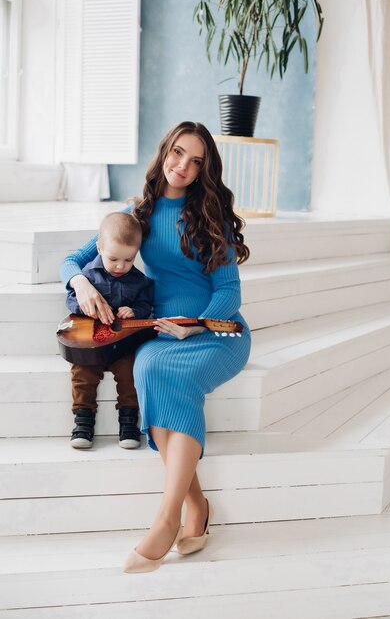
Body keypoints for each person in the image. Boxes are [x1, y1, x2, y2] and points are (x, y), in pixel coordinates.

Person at [60, 121, 251, 573]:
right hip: (158, 330)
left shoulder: (210, 215)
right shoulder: (139, 211)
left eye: (196, 160)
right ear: (165, 150)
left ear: (204, 169)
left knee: (174, 375)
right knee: (148, 368)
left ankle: (168, 519)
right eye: (178, 152)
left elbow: (229, 291)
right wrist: (81, 281)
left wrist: (198, 325)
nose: (183, 165)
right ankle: (198, 507)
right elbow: (74, 258)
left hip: (217, 331)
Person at [65, 211, 154, 450]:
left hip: (121, 346)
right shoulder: (88, 275)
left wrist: (135, 311)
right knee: (82, 373)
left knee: (129, 375)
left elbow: (147, 304)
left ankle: (128, 423)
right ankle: (83, 421)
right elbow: (72, 302)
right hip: (91, 344)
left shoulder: (139, 281)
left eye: (129, 260)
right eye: (114, 258)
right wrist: (87, 310)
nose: (120, 266)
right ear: (100, 248)